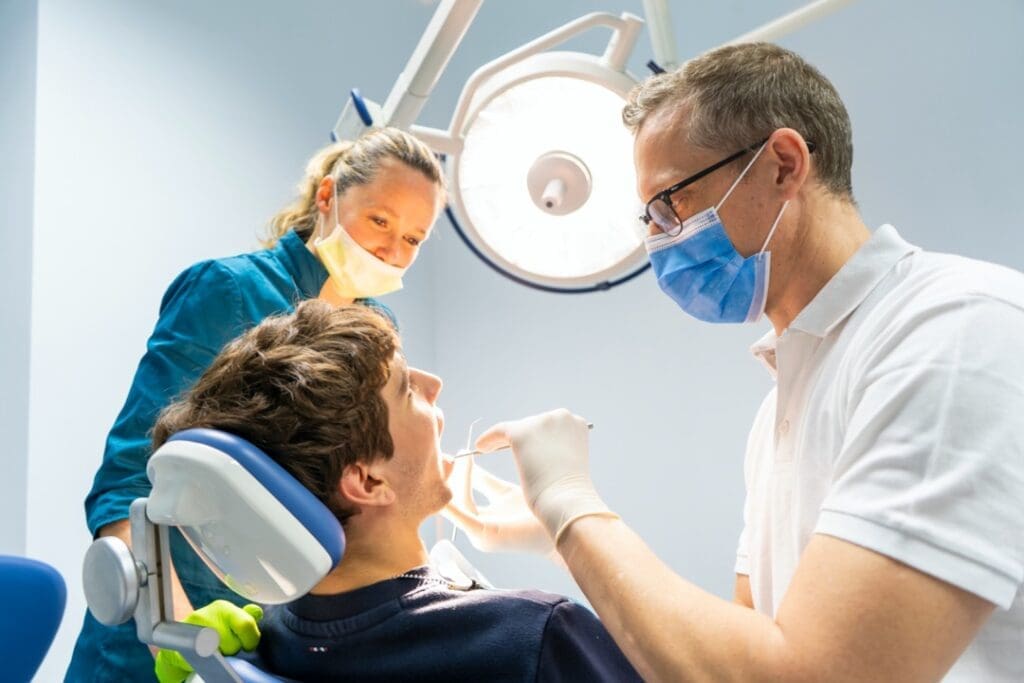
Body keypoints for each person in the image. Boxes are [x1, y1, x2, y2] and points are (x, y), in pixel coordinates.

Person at [451, 43, 1024, 681]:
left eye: (671, 201)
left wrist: (572, 506)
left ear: (783, 165)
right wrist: (563, 536)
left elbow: (813, 675)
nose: (657, 240)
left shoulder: (953, 332)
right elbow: (734, 658)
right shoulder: (780, 408)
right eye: (649, 218)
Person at [66, 127, 448, 681]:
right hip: (165, 617)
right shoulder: (228, 291)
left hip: (282, 628)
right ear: (328, 197)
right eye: (380, 221)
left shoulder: (379, 331)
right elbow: (129, 480)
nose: (391, 251)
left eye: (413, 239)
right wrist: (176, 630)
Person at [148, 301, 641, 682]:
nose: (435, 384)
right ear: (368, 481)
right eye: (406, 388)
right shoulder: (535, 639)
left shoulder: (253, 650)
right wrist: (577, 526)